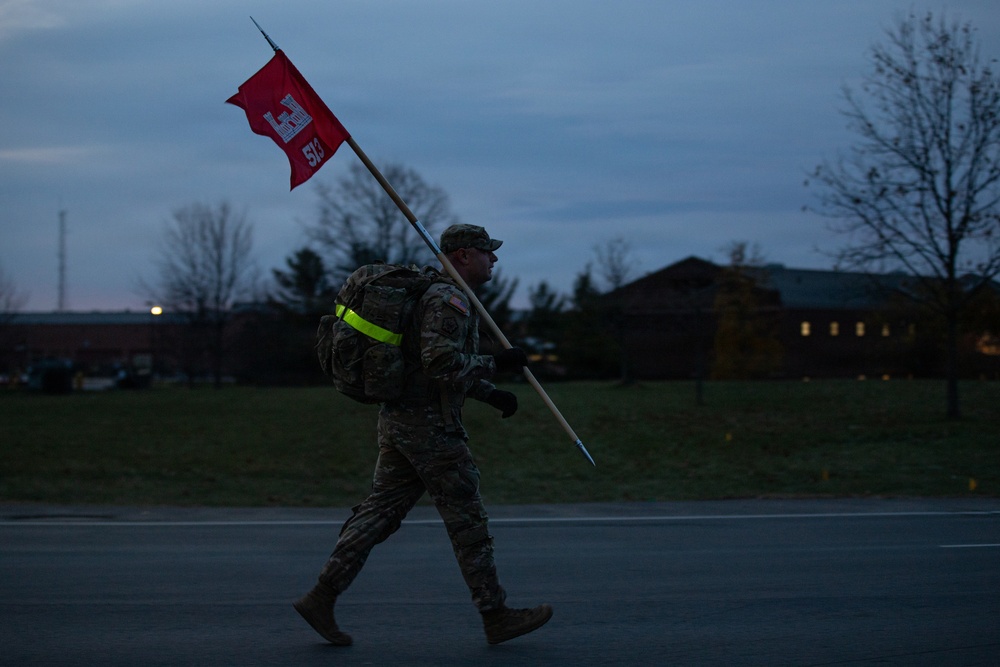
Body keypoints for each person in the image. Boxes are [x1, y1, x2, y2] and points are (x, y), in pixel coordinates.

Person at [294, 223, 553, 646]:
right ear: (463, 255)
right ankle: (495, 614)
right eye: (487, 251)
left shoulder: (439, 294)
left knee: (380, 512)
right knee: (467, 518)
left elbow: (422, 365)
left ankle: (321, 597)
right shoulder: (449, 299)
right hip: (430, 429)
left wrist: (489, 393)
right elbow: (440, 364)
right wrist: (498, 364)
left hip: (401, 420)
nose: (494, 259)